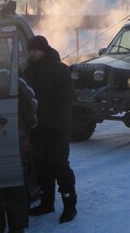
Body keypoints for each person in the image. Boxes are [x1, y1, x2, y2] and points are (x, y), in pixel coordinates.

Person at [23, 35, 77, 224]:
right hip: (37, 127)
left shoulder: (59, 70)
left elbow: (67, 98)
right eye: (29, 51)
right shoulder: (29, 71)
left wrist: (53, 120)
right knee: (41, 167)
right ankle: (47, 203)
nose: (31, 54)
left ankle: (70, 205)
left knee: (59, 165)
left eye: (34, 50)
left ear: (43, 49)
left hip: (57, 128)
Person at [0, 77, 38, 233]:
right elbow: (31, 108)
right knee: (15, 189)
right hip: (15, 144)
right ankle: (16, 229)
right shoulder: (13, 80)